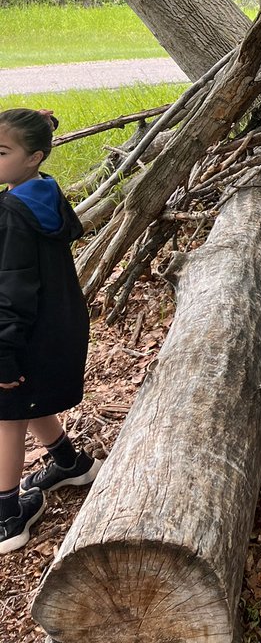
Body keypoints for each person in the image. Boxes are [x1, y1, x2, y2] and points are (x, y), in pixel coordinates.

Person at [0, 109, 100, 555]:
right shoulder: (43, 193)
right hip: (57, 324)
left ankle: (9, 515)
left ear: (33, 157)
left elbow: (13, 289)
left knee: (5, 416)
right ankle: (70, 463)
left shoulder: (12, 213)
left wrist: (3, 352)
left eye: (2, 152)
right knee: (27, 395)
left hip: (27, 332)